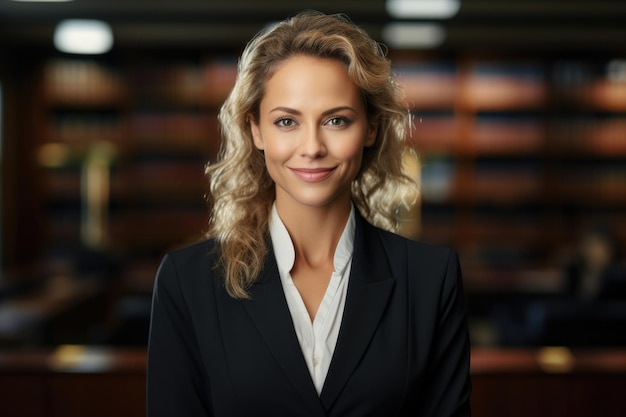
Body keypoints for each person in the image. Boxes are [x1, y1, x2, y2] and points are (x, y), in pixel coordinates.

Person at [147, 11, 471, 417]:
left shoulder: (429, 280)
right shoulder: (187, 281)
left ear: (370, 128)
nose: (312, 146)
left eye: (336, 120)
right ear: (256, 130)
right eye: (287, 121)